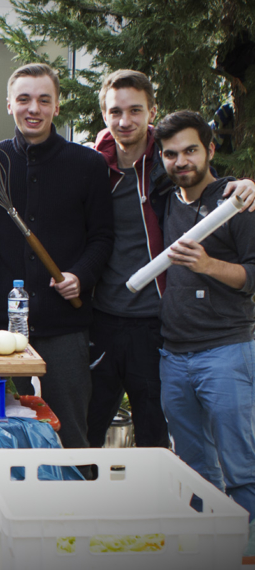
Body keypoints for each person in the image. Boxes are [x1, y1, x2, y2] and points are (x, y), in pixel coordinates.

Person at [88, 70, 255, 450]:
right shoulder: (94, 167)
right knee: (89, 425)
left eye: (135, 110)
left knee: (156, 437)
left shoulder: (168, 170)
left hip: (156, 324)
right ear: (104, 115)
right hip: (103, 318)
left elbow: (207, 185)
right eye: (116, 111)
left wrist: (247, 184)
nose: (125, 120)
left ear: (151, 111)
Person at [0, 63, 114, 451]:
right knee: (1, 432)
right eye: (24, 99)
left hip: (65, 328)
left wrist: (82, 275)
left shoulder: (88, 165)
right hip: (1, 331)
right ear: (10, 104)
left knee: (70, 433)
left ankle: (75, 506)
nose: (33, 109)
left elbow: (103, 237)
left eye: (44, 100)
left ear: (57, 107)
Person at [152, 110, 255, 540]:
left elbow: (252, 275)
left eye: (191, 150)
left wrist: (209, 264)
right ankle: (209, 548)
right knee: (194, 467)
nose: (181, 162)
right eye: (171, 154)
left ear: (210, 150)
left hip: (226, 352)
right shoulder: (163, 200)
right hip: (173, 356)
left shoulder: (235, 202)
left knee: (242, 467)